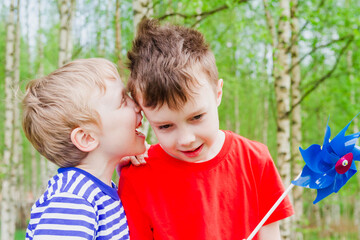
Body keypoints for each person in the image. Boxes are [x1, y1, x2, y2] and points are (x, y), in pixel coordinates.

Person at [118, 19, 294, 240]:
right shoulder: (139, 176)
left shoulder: (255, 161)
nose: (186, 139)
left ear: (218, 93)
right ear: (144, 114)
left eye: (197, 117)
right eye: (165, 126)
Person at [23, 58, 146, 240]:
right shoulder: (72, 199)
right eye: (122, 101)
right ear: (87, 138)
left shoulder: (97, 192)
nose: (137, 105)